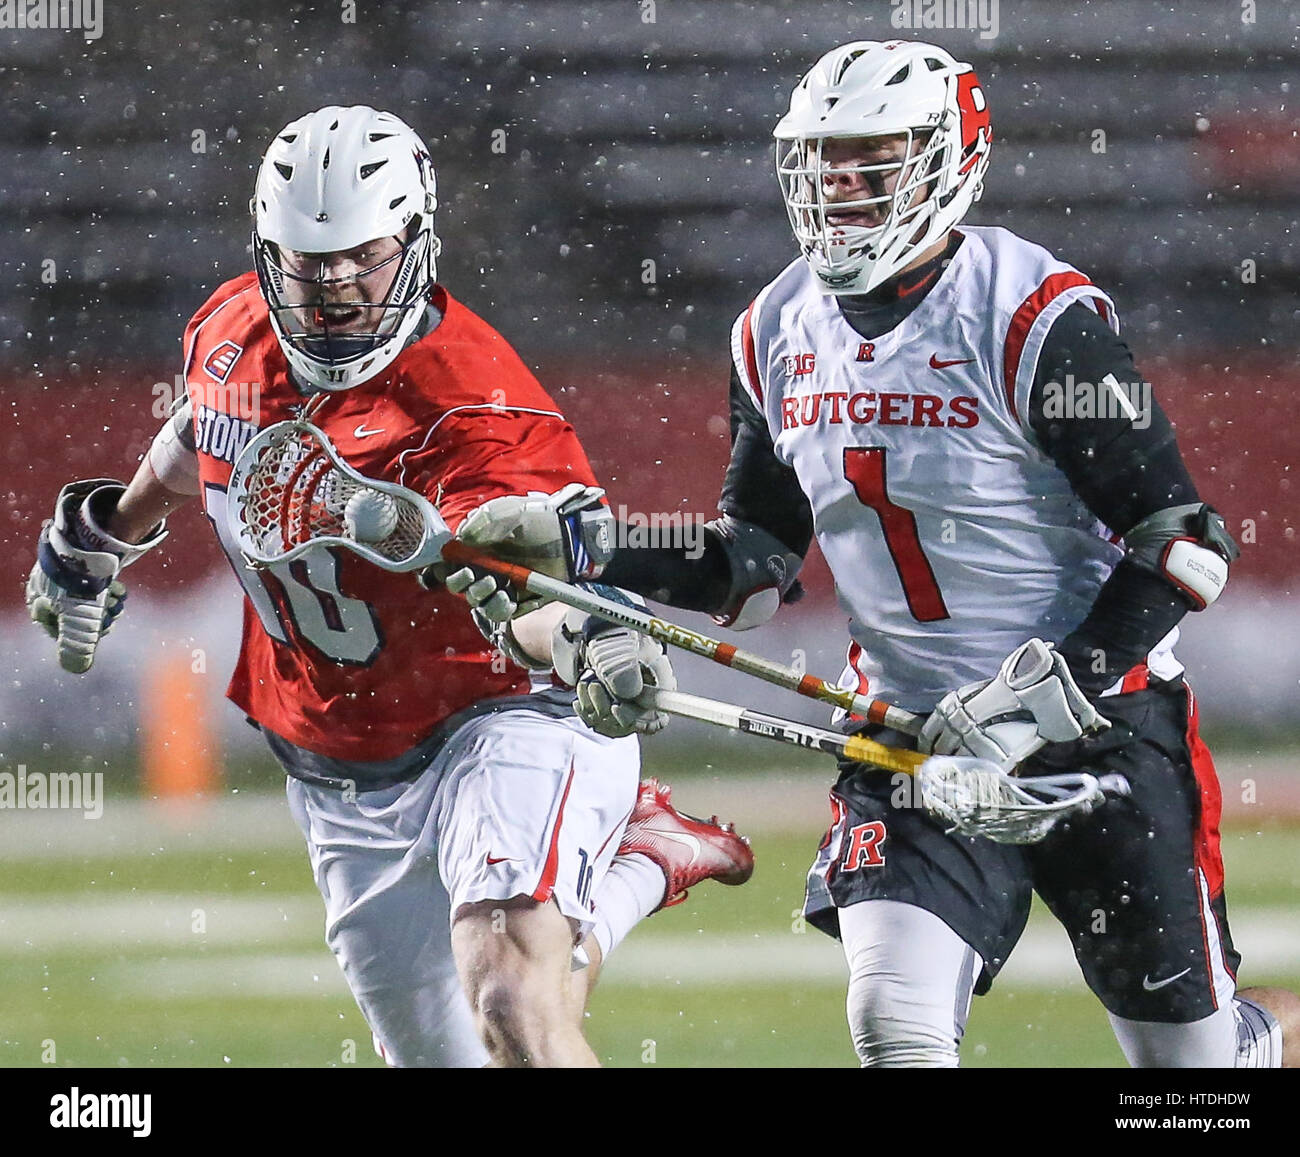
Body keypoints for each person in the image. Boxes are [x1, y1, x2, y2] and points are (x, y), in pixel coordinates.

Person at [442, 42, 1299, 1068]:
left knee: (1193, 1073)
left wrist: (1038, 701)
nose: (838, 190)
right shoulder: (774, 327)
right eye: (820, 163)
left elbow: (1184, 545)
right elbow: (750, 562)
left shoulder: (1034, 314)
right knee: (895, 1024)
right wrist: (588, 541)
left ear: (949, 160)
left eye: (870, 163)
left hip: (1097, 733)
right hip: (910, 738)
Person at [25, 105, 753, 1068]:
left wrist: (585, 637)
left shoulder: (477, 403)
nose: (331, 292)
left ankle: (620, 858)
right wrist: (105, 534)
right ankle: (639, 866)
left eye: (358, 259)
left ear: (415, 241)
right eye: (304, 263)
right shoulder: (233, 331)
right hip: (337, 749)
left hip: (492, 715)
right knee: (460, 1052)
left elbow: (533, 594)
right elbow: (197, 432)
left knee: (512, 1003)